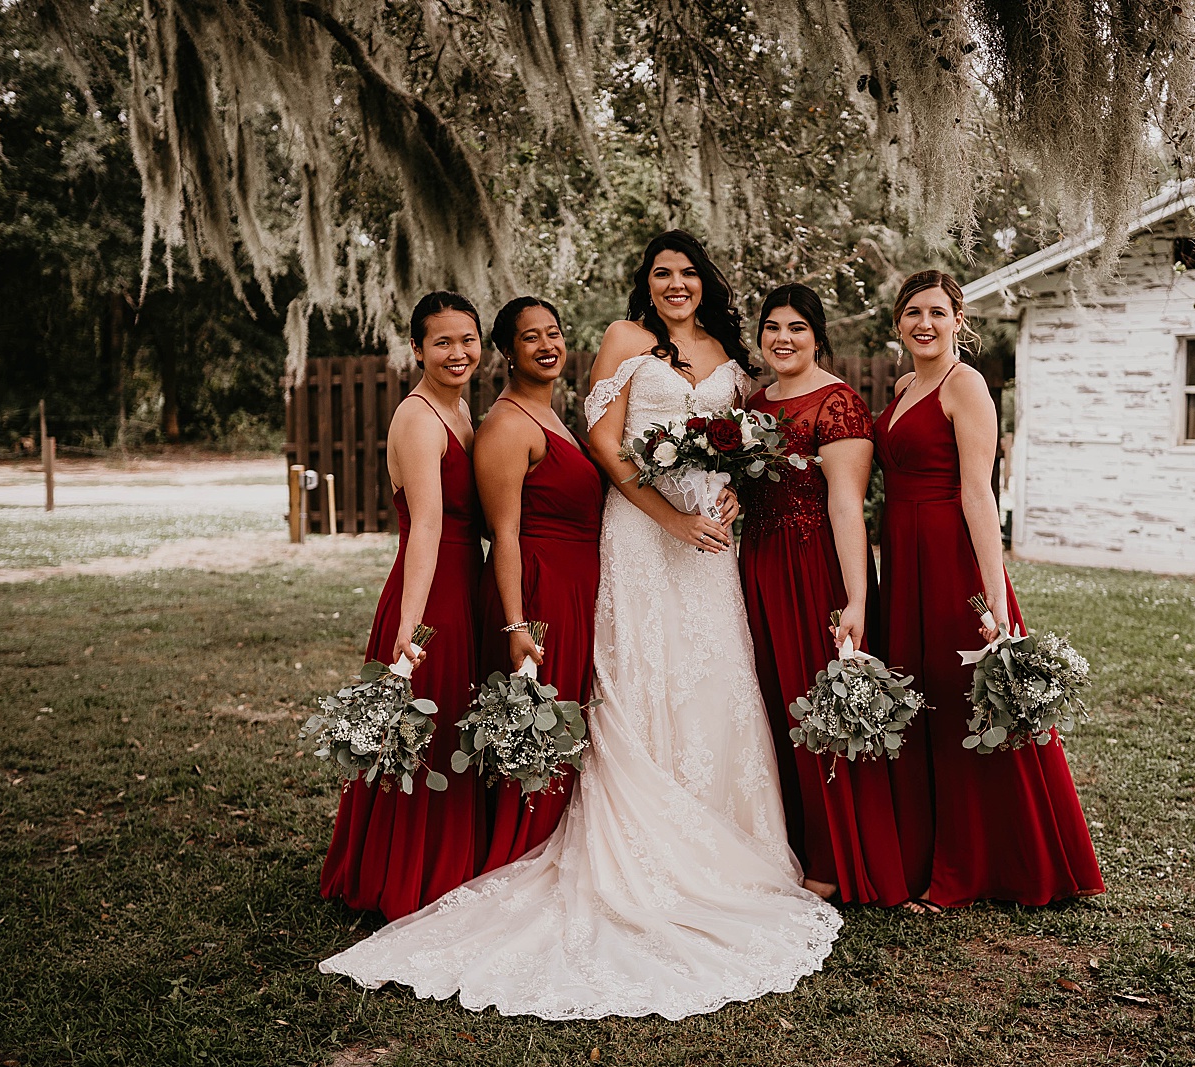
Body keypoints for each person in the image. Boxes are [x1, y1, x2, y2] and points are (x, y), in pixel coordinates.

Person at [320, 232, 841, 1020]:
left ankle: (734, 841)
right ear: (646, 282)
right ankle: (638, 849)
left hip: (709, 545)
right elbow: (603, 443)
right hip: (642, 534)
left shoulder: (730, 353)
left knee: (714, 681)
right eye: (662, 273)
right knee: (635, 680)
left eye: (688, 273)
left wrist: (726, 494)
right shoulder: (627, 341)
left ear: (706, 283)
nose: (675, 284)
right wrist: (668, 514)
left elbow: (734, 449)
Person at [873, 269, 1104, 911]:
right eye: (913, 312)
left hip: (951, 557)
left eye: (938, 313)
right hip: (905, 557)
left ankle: (975, 865)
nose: (925, 323)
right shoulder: (900, 387)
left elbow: (978, 492)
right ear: (899, 323)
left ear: (958, 321)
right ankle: (926, 852)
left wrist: (995, 596)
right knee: (922, 700)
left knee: (965, 702)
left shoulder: (964, 384)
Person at [738, 283, 908, 908]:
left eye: (797, 328)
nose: (783, 338)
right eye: (772, 327)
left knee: (821, 708)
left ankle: (837, 857)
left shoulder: (838, 404)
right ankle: (791, 842)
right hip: (757, 565)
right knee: (774, 704)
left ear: (818, 336)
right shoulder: (754, 405)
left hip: (815, 568)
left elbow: (845, 505)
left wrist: (855, 599)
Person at [319, 291, 487, 920]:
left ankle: (449, 855)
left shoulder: (463, 410)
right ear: (416, 349)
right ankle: (406, 872)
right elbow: (426, 528)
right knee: (424, 732)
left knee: (448, 733)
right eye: (442, 342)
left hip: (463, 587)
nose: (457, 352)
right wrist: (411, 629)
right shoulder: (419, 419)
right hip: (431, 593)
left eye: (467, 339)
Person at [473, 297, 605, 870]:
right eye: (531, 337)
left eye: (554, 333)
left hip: (574, 587)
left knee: (564, 721)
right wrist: (516, 623)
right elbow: (503, 535)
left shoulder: (553, 415)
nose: (548, 345)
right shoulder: (506, 425)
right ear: (506, 351)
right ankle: (521, 852)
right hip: (539, 589)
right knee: (537, 721)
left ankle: (553, 843)